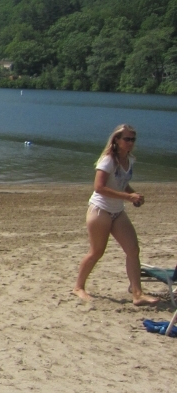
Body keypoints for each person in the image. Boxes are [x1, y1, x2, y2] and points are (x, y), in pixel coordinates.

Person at [74, 124, 156, 306]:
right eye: (127, 139)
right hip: (100, 210)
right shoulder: (107, 160)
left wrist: (133, 195)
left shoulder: (130, 160)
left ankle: (137, 293)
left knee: (133, 250)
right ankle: (79, 287)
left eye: (133, 139)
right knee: (96, 252)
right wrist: (128, 196)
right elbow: (99, 187)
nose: (130, 143)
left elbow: (121, 183)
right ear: (116, 140)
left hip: (117, 211)